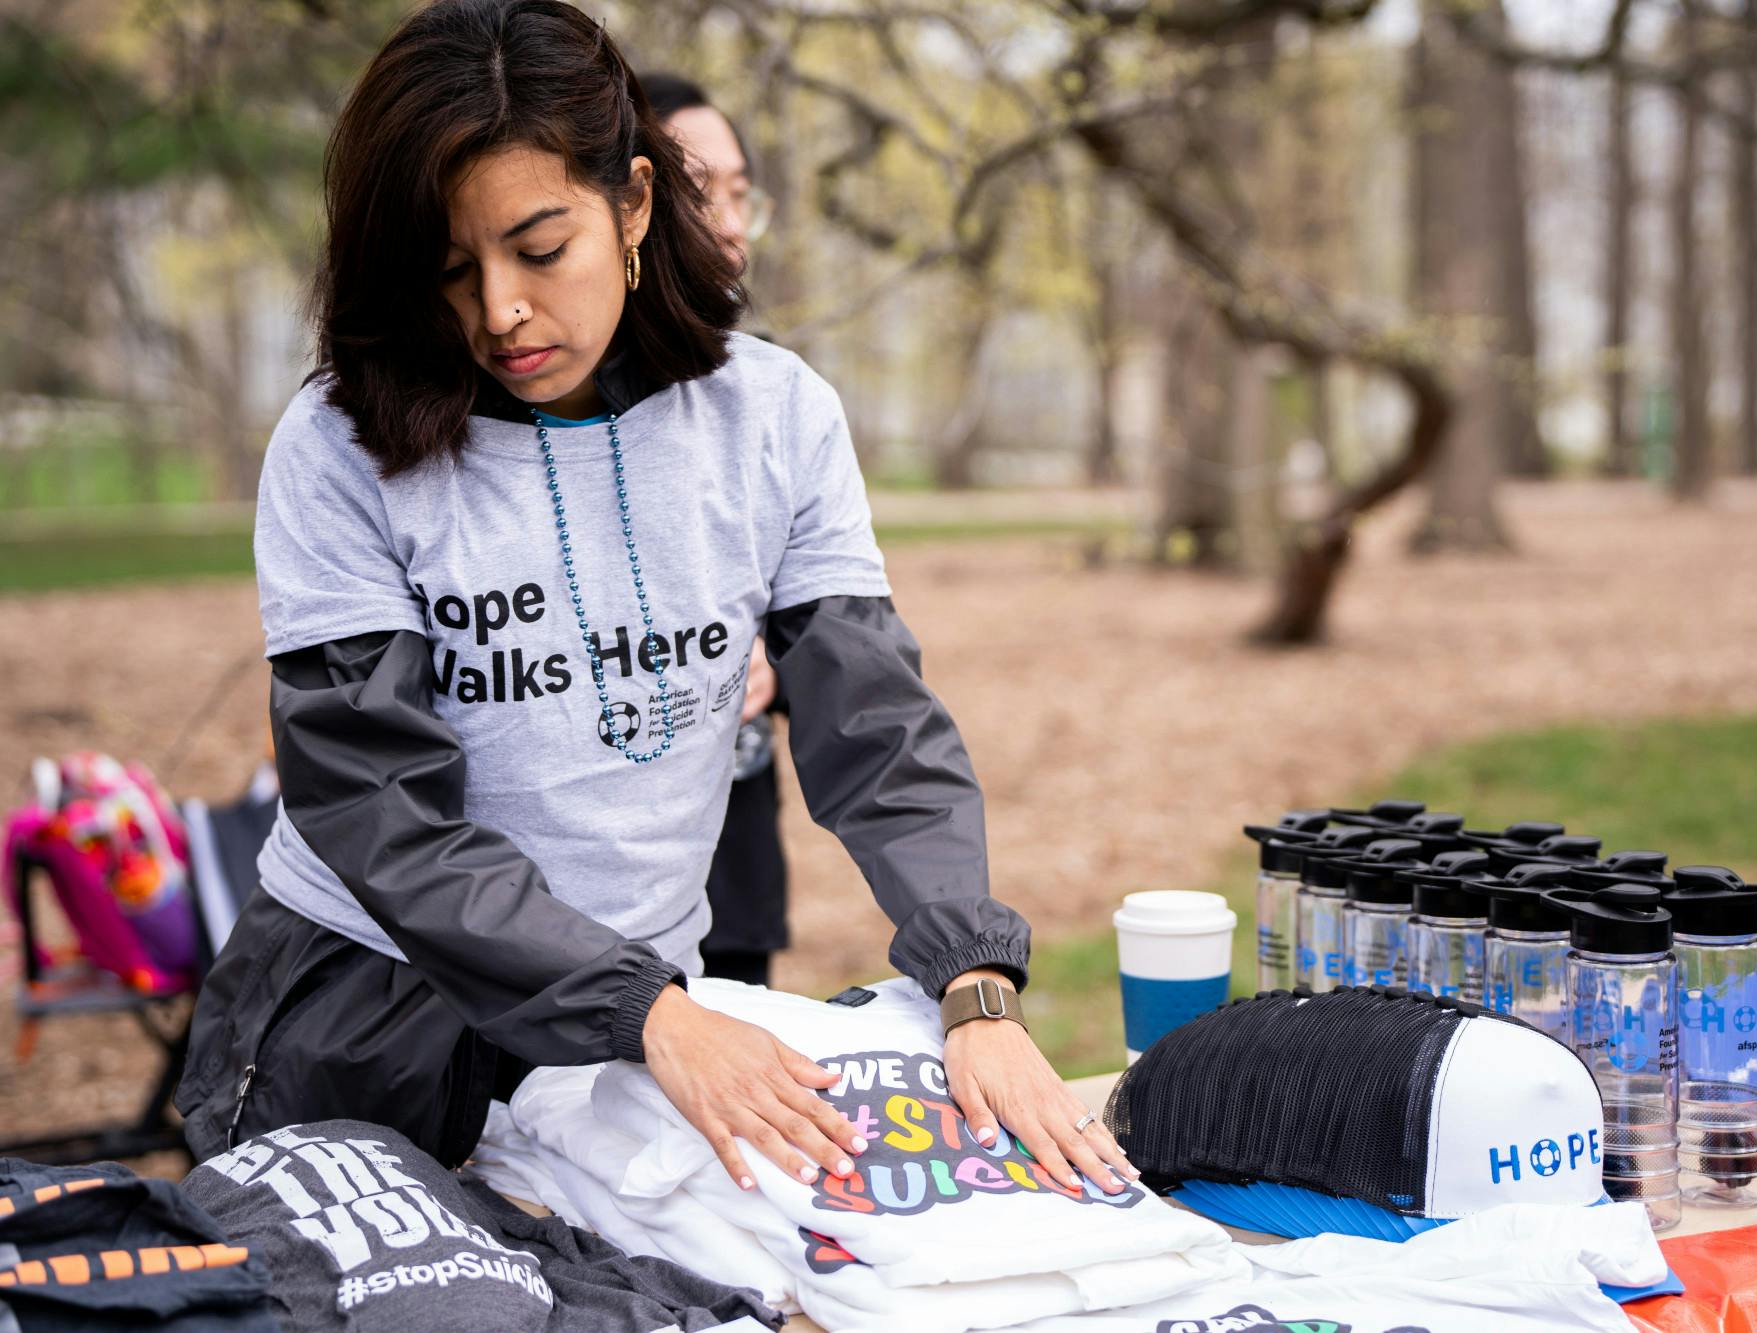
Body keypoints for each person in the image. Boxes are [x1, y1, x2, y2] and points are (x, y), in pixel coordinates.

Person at [174, 0, 1135, 1205]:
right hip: (367, 1029)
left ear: (631, 202)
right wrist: (645, 1009)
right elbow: (379, 809)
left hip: (637, 1042)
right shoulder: (335, 446)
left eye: (538, 248)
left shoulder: (774, 417)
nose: (499, 311)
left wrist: (972, 984)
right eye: (451, 270)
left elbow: (875, 729)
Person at [640, 70, 785, 988]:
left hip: (733, 883)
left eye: (741, 194)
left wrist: (775, 659)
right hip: (588, 920)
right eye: (702, 195)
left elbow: (835, 642)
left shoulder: (768, 402)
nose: (729, 223)